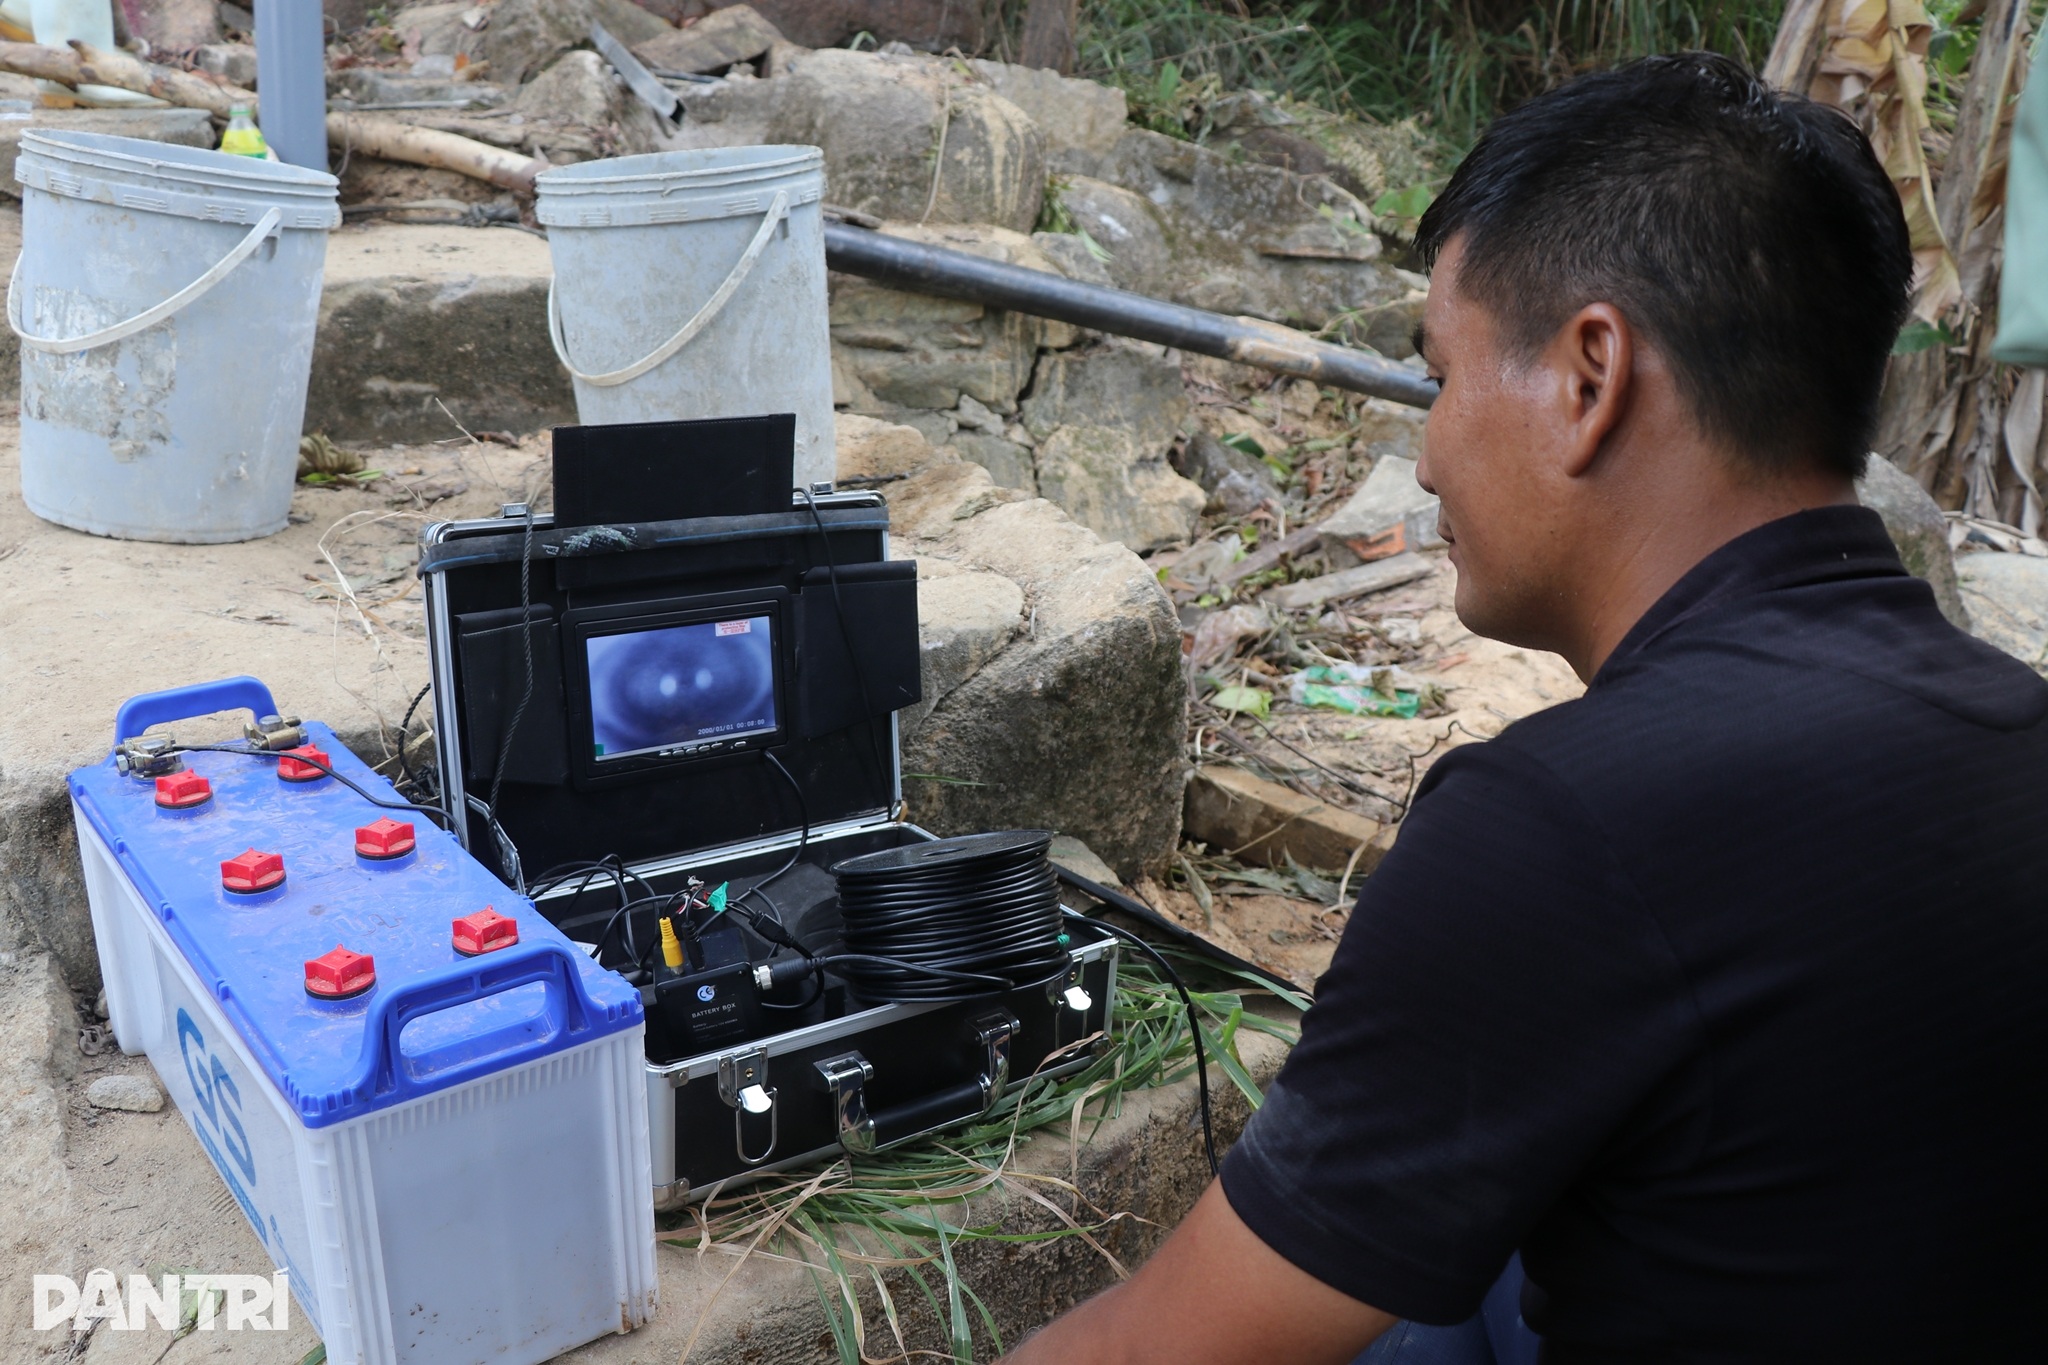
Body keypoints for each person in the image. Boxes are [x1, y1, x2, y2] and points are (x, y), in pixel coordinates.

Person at [1002, 52, 2048, 1365]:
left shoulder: (1560, 825)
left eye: (1442, 377)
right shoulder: (2017, 724)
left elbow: (1161, 1351)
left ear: (1589, 377)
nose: (1427, 457)